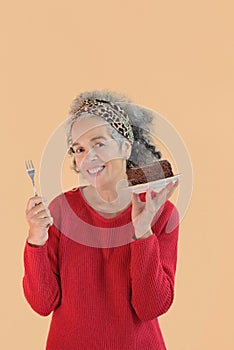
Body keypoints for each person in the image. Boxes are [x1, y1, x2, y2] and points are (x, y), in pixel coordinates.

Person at [23, 90, 180, 350]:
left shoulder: (162, 212)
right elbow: (42, 304)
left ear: (125, 147)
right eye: (79, 149)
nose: (87, 158)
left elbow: (150, 306)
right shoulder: (61, 210)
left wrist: (142, 231)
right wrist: (36, 240)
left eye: (99, 144)